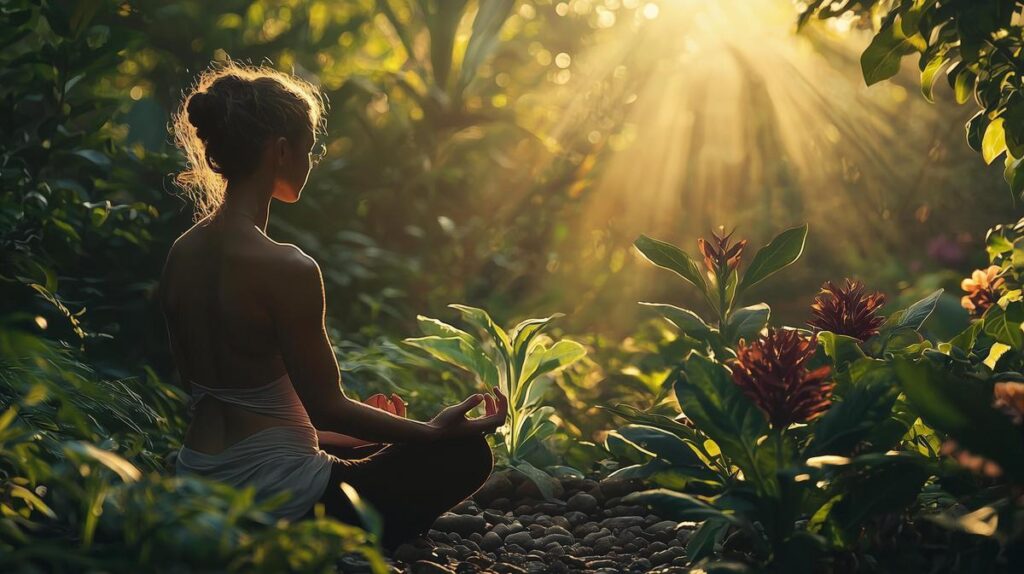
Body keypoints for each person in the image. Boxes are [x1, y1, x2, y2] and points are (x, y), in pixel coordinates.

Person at [159, 61, 507, 549]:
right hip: (284, 500)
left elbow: (225, 399)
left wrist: (371, 437)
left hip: (196, 484)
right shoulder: (288, 267)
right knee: (465, 453)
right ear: (281, 151)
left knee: (386, 446)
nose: (310, 160)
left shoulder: (182, 254)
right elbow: (328, 408)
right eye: (307, 148)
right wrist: (427, 432)